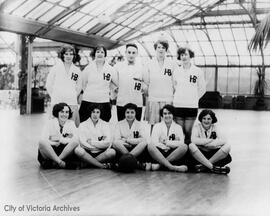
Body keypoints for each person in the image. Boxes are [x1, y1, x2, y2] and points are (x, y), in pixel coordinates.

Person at [173, 46, 206, 144]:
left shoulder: (197, 71)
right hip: (178, 105)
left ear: (190, 55)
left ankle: (188, 152)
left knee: (188, 132)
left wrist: (194, 98)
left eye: (186, 54)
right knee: (180, 132)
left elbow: (202, 88)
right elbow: (175, 86)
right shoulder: (176, 71)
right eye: (182, 55)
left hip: (191, 106)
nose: (184, 57)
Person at [143, 39, 177, 130]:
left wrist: (172, 93)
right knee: (153, 124)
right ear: (155, 49)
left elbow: (175, 82)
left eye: (163, 47)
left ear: (166, 49)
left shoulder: (172, 64)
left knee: (167, 123)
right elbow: (146, 81)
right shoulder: (149, 63)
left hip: (168, 98)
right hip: (154, 98)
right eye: (159, 47)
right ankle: (153, 142)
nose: (161, 49)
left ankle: (167, 142)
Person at [46, 45, 82, 127]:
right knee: (55, 126)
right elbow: (49, 84)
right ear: (62, 55)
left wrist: (72, 95)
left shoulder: (77, 70)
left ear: (74, 56)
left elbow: (79, 87)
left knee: (71, 128)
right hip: (57, 102)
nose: (68, 56)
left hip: (71, 102)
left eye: (71, 54)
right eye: (66, 54)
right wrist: (54, 96)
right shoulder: (55, 68)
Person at [79, 45, 117, 123]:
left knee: (104, 123)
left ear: (105, 55)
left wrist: (111, 92)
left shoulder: (111, 69)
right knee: (85, 122)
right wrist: (91, 92)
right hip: (88, 100)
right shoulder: (88, 68)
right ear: (95, 54)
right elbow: (83, 84)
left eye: (102, 52)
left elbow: (116, 84)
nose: (100, 54)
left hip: (103, 100)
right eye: (98, 52)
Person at [189, 109, 232, 174]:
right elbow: (194, 140)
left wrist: (205, 144)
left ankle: (203, 166)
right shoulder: (197, 127)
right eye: (204, 118)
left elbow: (224, 140)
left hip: (213, 153)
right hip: (200, 154)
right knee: (191, 145)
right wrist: (210, 141)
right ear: (201, 119)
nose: (206, 121)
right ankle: (213, 168)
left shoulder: (215, 127)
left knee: (227, 146)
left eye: (209, 119)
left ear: (212, 120)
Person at [147, 104, 188, 172]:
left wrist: (168, 143)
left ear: (173, 115)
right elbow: (154, 142)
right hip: (159, 151)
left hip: (172, 152)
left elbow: (181, 143)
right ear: (162, 115)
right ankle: (172, 167)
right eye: (165, 113)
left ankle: (160, 165)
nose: (167, 115)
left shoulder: (178, 127)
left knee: (185, 146)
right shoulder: (157, 126)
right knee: (150, 146)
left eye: (169, 113)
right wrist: (164, 146)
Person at [38, 103, 79, 169]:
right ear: (57, 112)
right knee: (41, 142)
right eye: (62, 112)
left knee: (75, 142)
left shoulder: (71, 123)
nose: (64, 114)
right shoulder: (49, 123)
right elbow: (44, 139)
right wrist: (54, 142)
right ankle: (60, 162)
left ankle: (55, 162)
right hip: (50, 149)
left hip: (64, 151)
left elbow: (76, 139)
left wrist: (60, 140)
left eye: (67, 112)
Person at [75, 104, 116, 169]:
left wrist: (92, 142)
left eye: (97, 112)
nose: (95, 114)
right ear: (90, 113)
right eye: (93, 112)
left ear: (100, 113)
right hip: (87, 152)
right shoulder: (83, 124)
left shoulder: (105, 124)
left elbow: (107, 143)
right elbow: (82, 142)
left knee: (112, 152)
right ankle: (101, 165)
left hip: (101, 152)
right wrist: (98, 144)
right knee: (78, 150)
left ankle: (88, 163)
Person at [114, 43, 146, 121]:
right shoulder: (117, 66)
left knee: (136, 128)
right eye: (129, 52)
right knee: (122, 127)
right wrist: (115, 89)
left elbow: (146, 83)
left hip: (136, 102)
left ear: (137, 54)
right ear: (125, 53)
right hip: (122, 102)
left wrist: (143, 88)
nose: (131, 55)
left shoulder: (142, 68)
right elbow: (112, 82)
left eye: (133, 53)